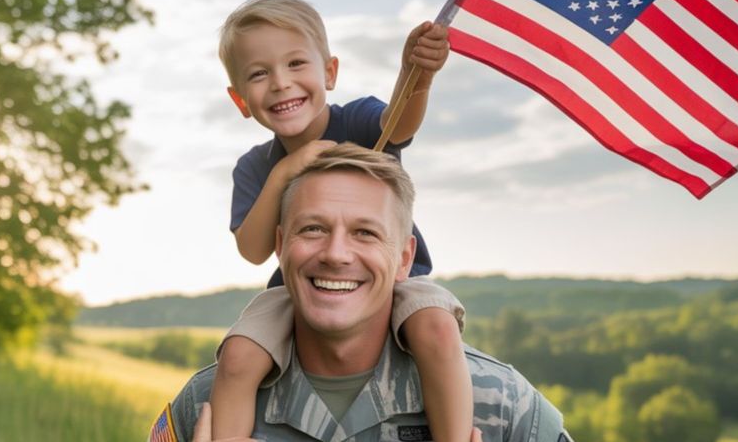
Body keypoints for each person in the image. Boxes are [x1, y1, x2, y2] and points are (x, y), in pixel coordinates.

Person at [150, 144, 568, 442]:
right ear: (280, 246)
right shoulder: (205, 406)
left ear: (405, 258)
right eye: (313, 228)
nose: (335, 254)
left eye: (365, 233)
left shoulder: (502, 405)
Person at [210, 0, 472, 442]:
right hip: (299, 293)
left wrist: (419, 76)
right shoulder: (255, 167)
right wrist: (287, 171)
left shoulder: (356, 121)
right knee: (236, 357)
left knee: (436, 328)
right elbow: (254, 250)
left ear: (329, 72)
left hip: (395, 281)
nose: (279, 83)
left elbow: (401, 123)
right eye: (259, 73)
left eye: (296, 64)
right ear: (240, 100)